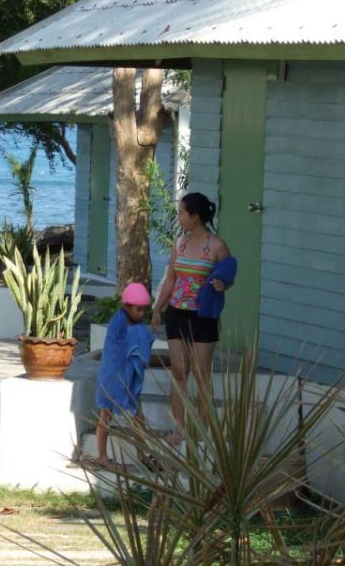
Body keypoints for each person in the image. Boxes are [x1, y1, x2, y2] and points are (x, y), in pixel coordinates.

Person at [150, 192, 237, 444]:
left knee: (201, 375)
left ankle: (202, 431)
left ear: (195, 217)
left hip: (203, 316)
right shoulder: (179, 244)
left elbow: (228, 275)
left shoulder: (217, 245)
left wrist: (223, 285)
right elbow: (171, 278)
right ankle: (180, 429)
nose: (179, 217)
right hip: (177, 313)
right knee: (179, 372)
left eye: (181, 213)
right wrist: (158, 308)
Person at [93, 282, 154, 467]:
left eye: (144, 310)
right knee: (106, 414)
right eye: (138, 310)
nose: (142, 314)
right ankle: (102, 457)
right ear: (126, 306)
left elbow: (139, 339)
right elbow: (125, 344)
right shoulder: (118, 322)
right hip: (112, 377)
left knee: (138, 417)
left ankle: (142, 455)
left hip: (126, 377)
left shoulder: (136, 323)